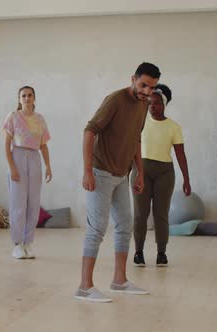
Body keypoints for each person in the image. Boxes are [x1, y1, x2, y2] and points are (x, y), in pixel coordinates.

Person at [74, 62, 161, 303]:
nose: (146, 91)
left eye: (151, 88)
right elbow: (89, 131)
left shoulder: (144, 104)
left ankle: (119, 281)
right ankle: (84, 286)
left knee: (124, 226)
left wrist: (139, 172)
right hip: (100, 173)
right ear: (133, 78)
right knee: (97, 229)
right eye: (143, 85)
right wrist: (87, 171)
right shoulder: (115, 100)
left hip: (122, 175)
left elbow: (135, 139)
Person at [132, 84, 191, 267]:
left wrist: (187, 179)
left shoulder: (174, 127)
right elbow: (131, 146)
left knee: (161, 214)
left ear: (164, 104)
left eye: (156, 103)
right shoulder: (140, 122)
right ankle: (138, 252)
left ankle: (161, 253)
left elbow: (180, 154)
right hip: (141, 170)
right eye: (150, 103)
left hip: (164, 172)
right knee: (141, 214)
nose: (152, 107)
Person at [3, 86, 52, 259]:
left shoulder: (40, 119)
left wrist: (48, 166)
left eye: (30, 95)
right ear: (19, 99)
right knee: (18, 203)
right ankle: (17, 244)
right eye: (23, 95)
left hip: (34, 158)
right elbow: (7, 144)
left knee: (33, 203)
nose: (27, 98)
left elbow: (43, 145)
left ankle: (28, 242)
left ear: (34, 98)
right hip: (17, 156)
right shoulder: (13, 117)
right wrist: (12, 167)